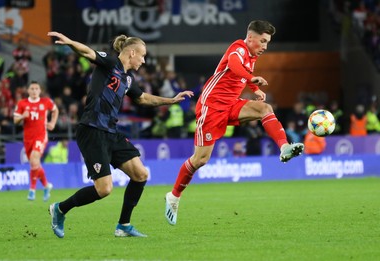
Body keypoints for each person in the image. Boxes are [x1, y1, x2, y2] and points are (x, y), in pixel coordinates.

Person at [46, 31, 193, 238]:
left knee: (141, 174)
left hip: (111, 132)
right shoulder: (109, 63)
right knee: (104, 189)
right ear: (132, 53)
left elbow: (142, 99)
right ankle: (60, 209)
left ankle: (123, 225)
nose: (143, 60)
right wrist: (70, 42)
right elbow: (87, 52)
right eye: (142, 56)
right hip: (92, 129)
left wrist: (171, 100)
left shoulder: (129, 80)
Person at [164, 20, 304, 225]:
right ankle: (174, 196)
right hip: (211, 107)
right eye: (263, 41)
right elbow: (235, 66)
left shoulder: (252, 55)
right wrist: (252, 78)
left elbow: (243, 76)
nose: (265, 46)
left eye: (268, 42)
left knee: (265, 109)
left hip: (230, 105)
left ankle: (284, 147)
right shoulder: (237, 48)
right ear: (251, 38)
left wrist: (255, 89)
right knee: (200, 159)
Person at [13, 81, 58, 201]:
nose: (34, 91)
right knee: (35, 164)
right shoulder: (22, 103)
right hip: (28, 139)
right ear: (28, 90)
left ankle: (31, 190)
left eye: (36, 89)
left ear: (40, 90)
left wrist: (53, 123)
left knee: (34, 159)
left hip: (41, 136)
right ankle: (46, 186)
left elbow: (55, 110)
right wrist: (23, 116)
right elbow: (15, 119)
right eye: (32, 89)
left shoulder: (45, 102)